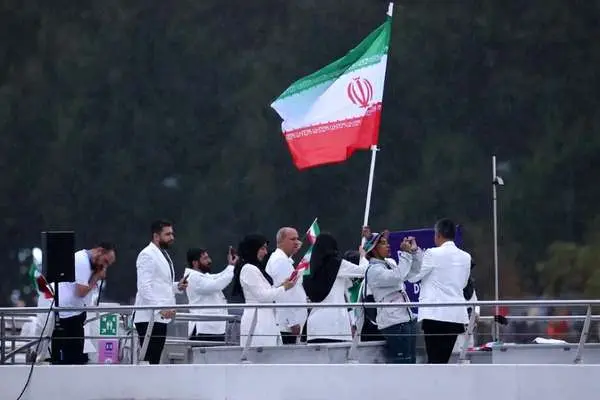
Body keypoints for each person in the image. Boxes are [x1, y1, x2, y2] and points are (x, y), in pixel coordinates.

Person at [407, 218, 471, 363]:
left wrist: (411, 254)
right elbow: (463, 284)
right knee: (442, 360)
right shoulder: (466, 257)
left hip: (435, 315)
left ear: (438, 235)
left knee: (434, 361)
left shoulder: (432, 253)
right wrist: (417, 251)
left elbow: (414, 277)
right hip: (455, 316)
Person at [51, 242, 116, 365]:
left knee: (77, 355)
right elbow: (80, 291)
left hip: (76, 312)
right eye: (105, 261)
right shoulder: (82, 261)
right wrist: (96, 277)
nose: (104, 266)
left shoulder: (90, 264)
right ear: (100, 251)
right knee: (71, 358)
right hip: (68, 315)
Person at [134, 220, 188, 364]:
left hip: (159, 317)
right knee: (149, 359)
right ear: (156, 236)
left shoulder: (162, 254)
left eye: (172, 234)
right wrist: (160, 308)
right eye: (168, 234)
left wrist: (177, 286)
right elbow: (144, 287)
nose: (172, 237)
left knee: (155, 358)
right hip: (149, 317)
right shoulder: (147, 255)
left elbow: (161, 284)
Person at [232, 234, 297, 347]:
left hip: (266, 320)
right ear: (253, 248)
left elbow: (266, 291)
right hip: (257, 322)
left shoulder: (256, 268)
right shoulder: (248, 269)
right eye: (262, 248)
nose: (266, 252)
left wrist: (282, 285)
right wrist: (284, 288)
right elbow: (262, 296)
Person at [363, 231, 419, 363]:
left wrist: (414, 252)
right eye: (383, 243)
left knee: (411, 362)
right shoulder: (373, 270)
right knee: (403, 363)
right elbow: (397, 276)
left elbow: (414, 273)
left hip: (406, 319)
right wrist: (405, 254)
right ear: (373, 249)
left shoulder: (389, 264)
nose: (388, 245)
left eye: (387, 242)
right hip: (394, 322)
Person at [303, 233, 367, 343]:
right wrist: (363, 256)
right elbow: (364, 270)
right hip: (335, 325)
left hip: (314, 327)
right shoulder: (337, 264)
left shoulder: (308, 268)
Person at [184, 247, 238, 342]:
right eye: (205, 258)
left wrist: (231, 264)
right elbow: (217, 284)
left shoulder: (203, 276)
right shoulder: (193, 277)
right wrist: (231, 267)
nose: (209, 261)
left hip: (212, 327)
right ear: (195, 263)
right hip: (204, 329)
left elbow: (219, 276)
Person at [265, 227, 307, 344]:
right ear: (281, 241)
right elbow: (283, 293)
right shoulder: (280, 261)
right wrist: (292, 322)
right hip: (286, 325)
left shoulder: (283, 259)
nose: (297, 242)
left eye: (297, 239)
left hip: (287, 323)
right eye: (293, 239)